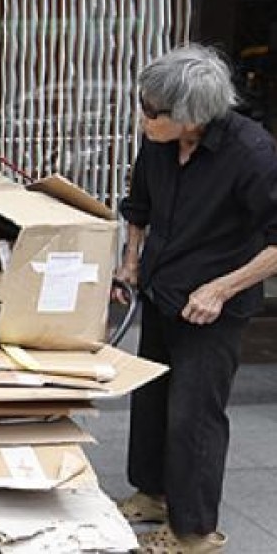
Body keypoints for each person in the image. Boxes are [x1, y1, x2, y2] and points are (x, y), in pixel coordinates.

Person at [115, 44, 277, 553]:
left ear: (190, 116)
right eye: (142, 106)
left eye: (152, 112)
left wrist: (222, 287)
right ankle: (155, 494)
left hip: (215, 306)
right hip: (163, 289)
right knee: (153, 399)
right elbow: (138, 206)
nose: (143, 119)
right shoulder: (161, 141)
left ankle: (194, 533)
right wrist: (131, 261)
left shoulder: (252, 154)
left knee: (195, 416)